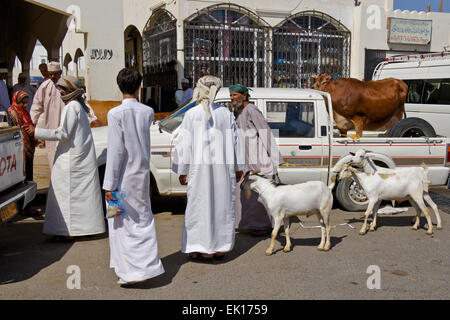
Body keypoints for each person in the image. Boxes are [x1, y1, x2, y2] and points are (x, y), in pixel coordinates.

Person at [172, 75, 245, 261]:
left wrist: (183, 170)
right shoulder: (225, 114)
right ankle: (219, 248)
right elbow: (237, 143)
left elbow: (183, 144)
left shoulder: (192, 114)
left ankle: (199, 248)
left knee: (199, 207)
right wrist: (238, 168)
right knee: (220, 207)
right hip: (223, 172)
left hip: (199, 174)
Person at [24, 75, 105, 241]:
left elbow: (63, 133)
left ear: (71, 91)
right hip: (78, 159)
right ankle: (79, 229)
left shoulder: (71, 107)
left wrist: (36, 132)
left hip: (72, 161)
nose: (60, 91)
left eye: (63, 89)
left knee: (66, 197)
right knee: (80, 198)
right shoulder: (78, 106)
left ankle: (67, 231)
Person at [103, 68, 165, 286]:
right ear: (139, 86)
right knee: (143, 219)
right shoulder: (147, 111)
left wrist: (108, 184)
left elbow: (115, 152)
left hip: (120, 179)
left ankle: (128, 270)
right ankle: (146, 267)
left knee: (119, 223)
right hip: (141, 176)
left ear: (119, 86)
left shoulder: (115, 114)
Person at [230, 84, 283, 237]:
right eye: (231, 95)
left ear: (244, 96)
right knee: (249, 195)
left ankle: (268, 226)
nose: (232, 98)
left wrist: (275, 158)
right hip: (246, 158)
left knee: (263, 193)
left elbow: (265, 132)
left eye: (235, 95)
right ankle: (252, 224)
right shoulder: (238, 111)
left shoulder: (252, 110)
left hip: (259, 158)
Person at [30, 61, 101, 169]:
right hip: (52, 127)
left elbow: (82, 101)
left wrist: (92, 118)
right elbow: (36, 106)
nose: (53, 76)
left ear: (60, 72)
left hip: (69, 126)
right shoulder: (44, 87)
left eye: (55, 73)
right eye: (50, 74)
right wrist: (32, 123)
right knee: (53, 159)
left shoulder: (67, 85)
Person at [8, 91, 42, 216]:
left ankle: (27, 206)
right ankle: (23, 207)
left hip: (28, 149)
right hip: (18, 150)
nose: (25, 104)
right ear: (16, 100)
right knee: (21, 180)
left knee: (28, 178)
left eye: (27, 102)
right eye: (23, 102)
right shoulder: (11, 112)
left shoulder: (24, 112)